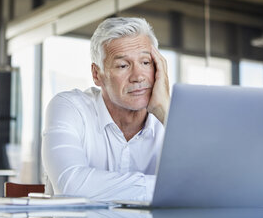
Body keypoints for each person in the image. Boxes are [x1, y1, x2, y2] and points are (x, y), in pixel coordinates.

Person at [42, 17, 170, 201]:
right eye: (123, 65)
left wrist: (166, 113)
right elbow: (71, 186)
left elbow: (210, 185)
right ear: (97, 74)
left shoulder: (170, 119)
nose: (138, 76)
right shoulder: (69, 107)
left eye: (146, 62)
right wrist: (169, 188)